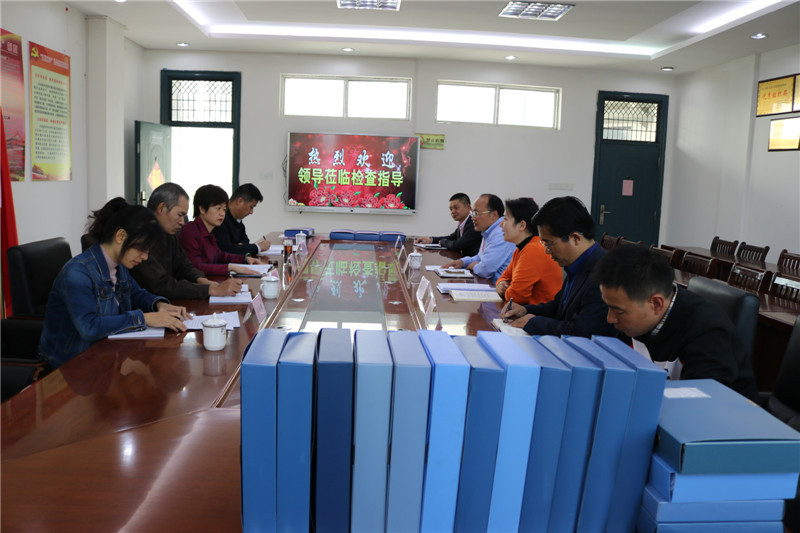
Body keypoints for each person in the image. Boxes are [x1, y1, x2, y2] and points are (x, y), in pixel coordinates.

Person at [594, 245, 759, 402]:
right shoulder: (635, 322)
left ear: (656, 304)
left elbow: (700, 404)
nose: (610, 318)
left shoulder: (708, 333)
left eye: (618, 311)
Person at [39, 198, 189, 369]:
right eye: (142, 249)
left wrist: (159, 305)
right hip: (71, 365)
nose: (145, 257)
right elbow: (89, 327)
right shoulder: (78, 273)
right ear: (120, 236)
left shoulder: (118, 265)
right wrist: (145, 318)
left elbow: (135, 293)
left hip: (106, 356)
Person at [502, 196, 616, 337]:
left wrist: (533, 322)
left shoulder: (604, 274)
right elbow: (558, 307)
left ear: (575, 238)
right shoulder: (577, 263)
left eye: (549, 243)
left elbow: (581, 332)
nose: (547, 251)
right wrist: (525, 310)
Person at [131, 183, 243, 299]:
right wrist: (210, 289)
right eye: (180, 215)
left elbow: (184, 266)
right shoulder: (140, 236)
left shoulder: (168, 233)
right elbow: (161, 284)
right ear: (162, 208)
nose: (182, 222)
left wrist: (201, 280)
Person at [178, 184, 264, 277]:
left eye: (224, 209)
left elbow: (220, 255)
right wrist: (230, 267)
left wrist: (245, 259)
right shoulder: (190, 232)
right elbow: (196, 268)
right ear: (202, 209)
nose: (222, 214)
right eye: (218, 209)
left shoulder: (209, 232)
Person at [495, 197, 563, 305]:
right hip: (528, 310)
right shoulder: (522, 248)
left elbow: (516, 297)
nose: (500, 224)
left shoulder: (533, 250)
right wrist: (500, 284)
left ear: (522, 225)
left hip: (541, 313)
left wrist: (504, 290)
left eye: (506, 219)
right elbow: (504, 277)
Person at [441, 193, 515, 283]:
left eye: (476, 213)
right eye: (472, 213)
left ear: (493, 215)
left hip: (497, 288)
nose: (473, 218)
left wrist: (474, 266)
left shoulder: (501, 233)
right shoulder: (488, 231)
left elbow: (485, 270)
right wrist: (462, 262)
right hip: (488, 283)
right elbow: (480, 257)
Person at [414, 193, 481, 256]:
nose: (453, 212)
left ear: (468, 207)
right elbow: (451, 238)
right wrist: (430, 240)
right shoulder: (463, 224)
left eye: (456, 208)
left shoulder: (473, 224)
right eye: (451, 209)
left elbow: (457, 245)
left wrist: (442, 242)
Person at [213, 183, 270, 256]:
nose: (251, 212)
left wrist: (241, 246)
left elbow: (245, 239)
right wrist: (257, 247)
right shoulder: (220, 219)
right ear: (239, 201)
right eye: (251, 207)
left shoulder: (237, 219)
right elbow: (227, 249)